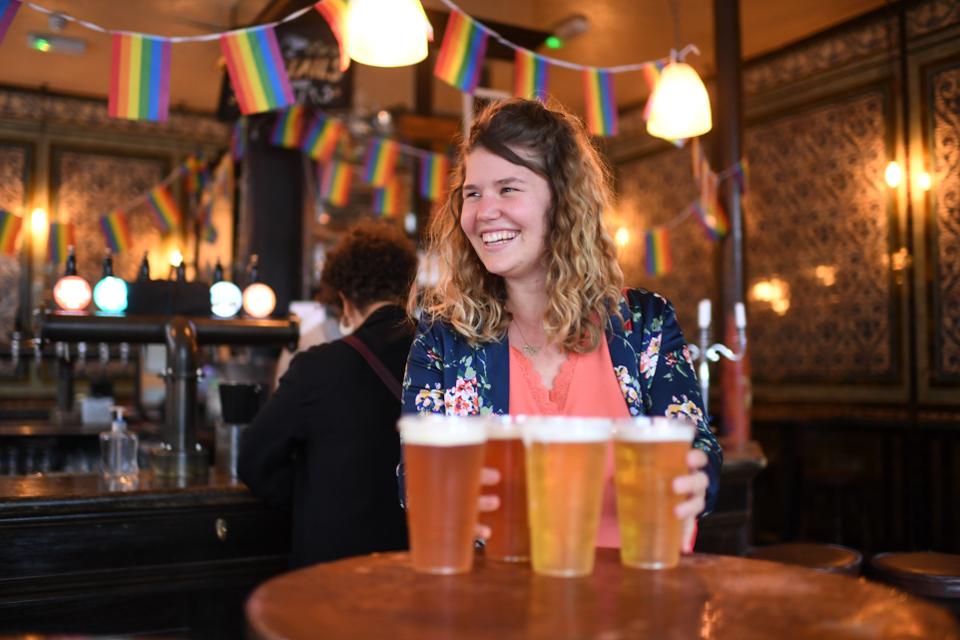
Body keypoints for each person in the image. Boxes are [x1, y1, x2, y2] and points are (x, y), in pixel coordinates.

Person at [401, 98, 722, 550]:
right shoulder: (444, 340)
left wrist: (697, 479)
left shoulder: (644, 324)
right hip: (499, 606)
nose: (483, 211)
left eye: (508, 189)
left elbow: (697, 446)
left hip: (634, 604)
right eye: (472, 193)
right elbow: (416, 479)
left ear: (563, 199)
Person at [239, 220, 418, 568]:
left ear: (344, 300)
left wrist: (313, 496)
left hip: (337, 573)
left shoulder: (317, 368)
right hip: (418, 567)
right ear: (408, 291)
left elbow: (253, 459)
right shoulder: (443, 362)